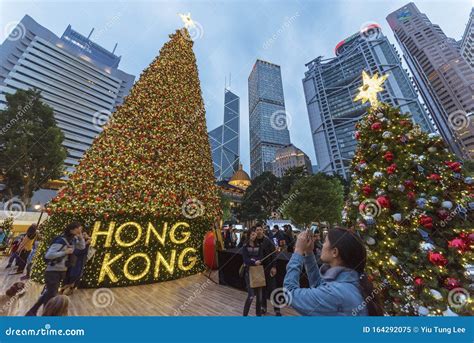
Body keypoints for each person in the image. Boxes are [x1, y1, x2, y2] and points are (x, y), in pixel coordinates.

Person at [284, 227, 383, 316]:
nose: (322, 245)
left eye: (325, 241)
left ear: (334, 252)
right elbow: (319, 285)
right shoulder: (350, 281)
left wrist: (298, 251)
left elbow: (289, 293)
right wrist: (309, 253)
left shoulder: (337, 293)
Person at [25, 222, 85, 316]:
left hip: (62, 270)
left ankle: (32, 311)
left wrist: (80, 236)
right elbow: (49, 255)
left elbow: (82, 247)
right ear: (72, 230)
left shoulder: (73, 240)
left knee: (50, 292)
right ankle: (46, 316)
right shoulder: (60, 241)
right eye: (78, 228)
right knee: (51, 295)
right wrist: (65, 252)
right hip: (53, 271)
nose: (80, 230)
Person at [255, 223, 281, 316]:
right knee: (262, 290)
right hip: (259, 269)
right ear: (255, 231)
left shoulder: (268, 241)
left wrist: (274, 267)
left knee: (273, 288)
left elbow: (274, 254)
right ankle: (263, 308)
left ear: (263, 231)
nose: (259, 231)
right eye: (257, 230)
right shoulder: (254, 242)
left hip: (269, 268)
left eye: (260, 230)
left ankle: (277, 310)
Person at [61, 230, 92, 295]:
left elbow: (82, 249)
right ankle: (65, 287)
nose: (83, 236)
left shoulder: (86, 241)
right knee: (71, 273)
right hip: (74, 258)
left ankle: (70, 288)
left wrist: (87, 241)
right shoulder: (78, 241)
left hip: (80, 259)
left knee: (76, 273)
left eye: (84, 234)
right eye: (82, 234)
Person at [242, 228, 264, 316]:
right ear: (249, 235)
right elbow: (245, 260)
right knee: (251, 296)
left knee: (259, 298)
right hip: (248, 272)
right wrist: (253, 261)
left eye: (254, 234)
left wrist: (254, 260)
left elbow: (261, 257)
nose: (254, 236)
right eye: (252, 234)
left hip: (258, 272)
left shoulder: (259, 245)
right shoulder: (245, 246)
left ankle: (258, 316)